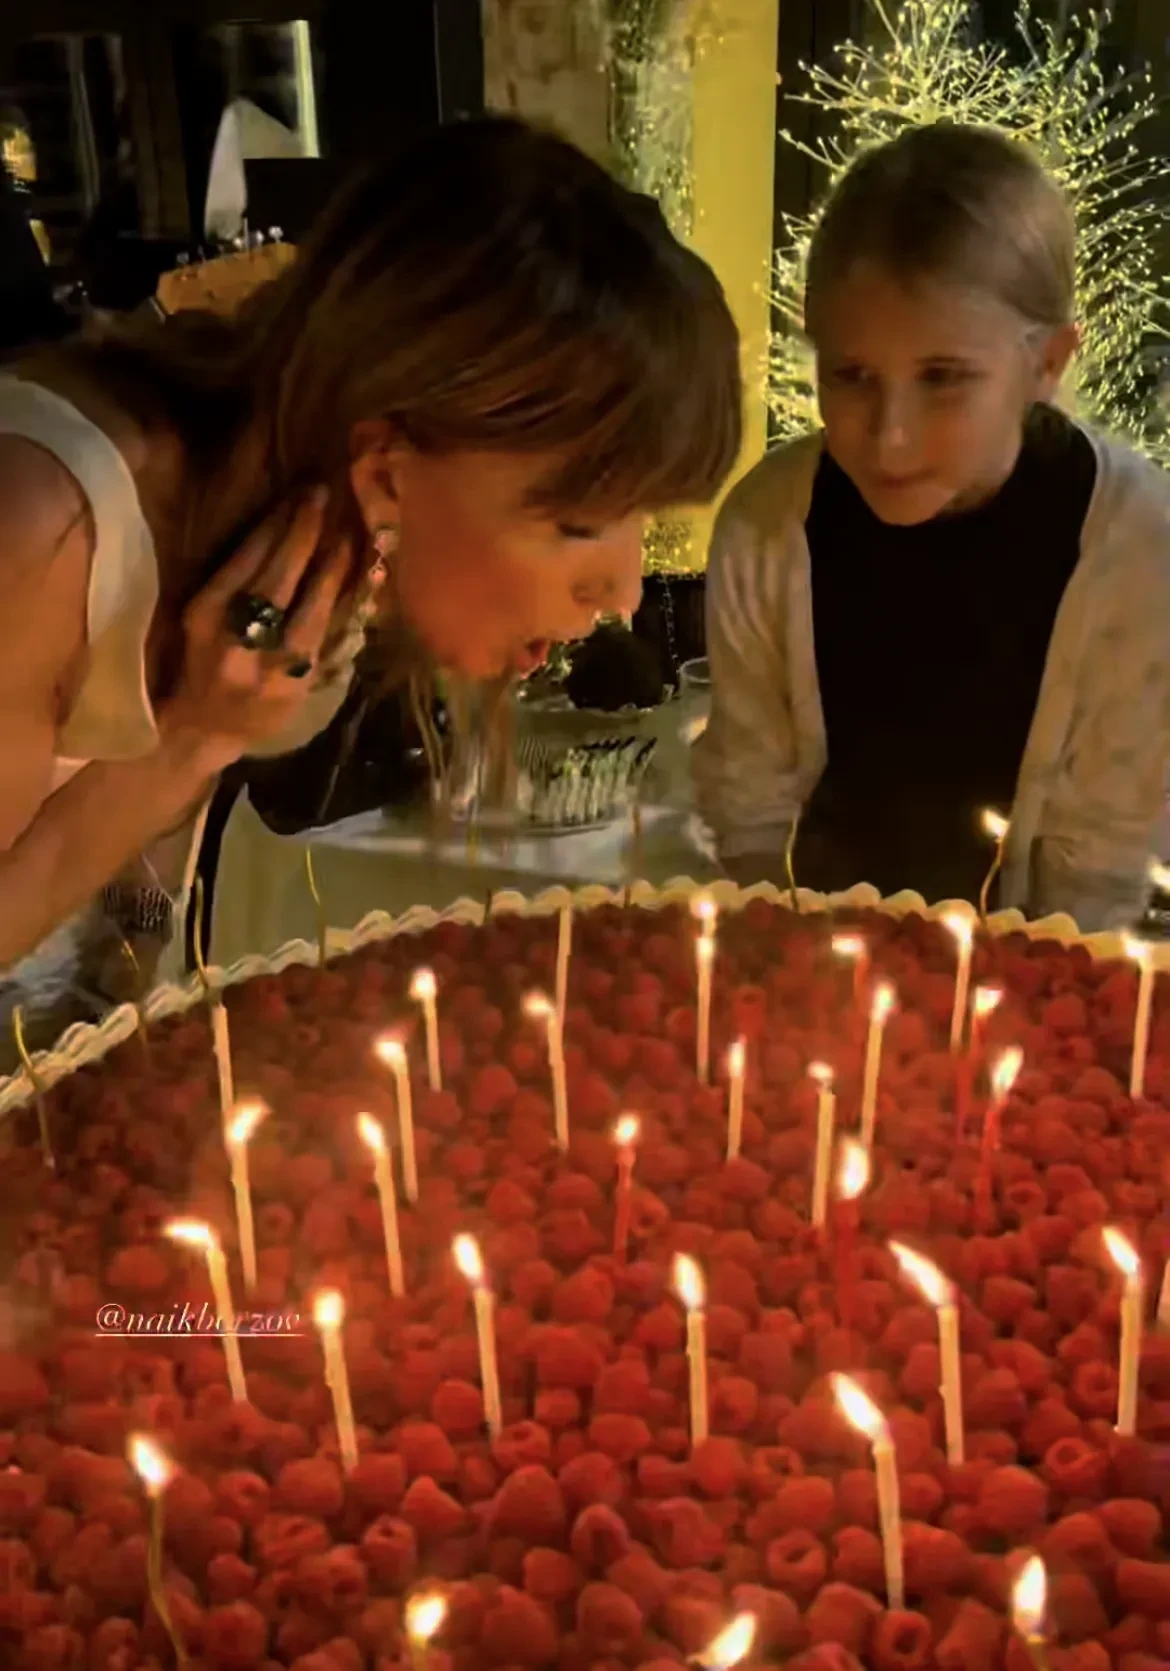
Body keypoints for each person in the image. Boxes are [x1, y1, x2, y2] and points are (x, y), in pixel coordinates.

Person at [0, 115, 740, 1052]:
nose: (624, 594)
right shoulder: (44, 526)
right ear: (388, 470)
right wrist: (194, 737)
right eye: (578, 524)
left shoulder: (321, 533)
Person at [694, 122, 1170, 931]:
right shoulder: (767, 531)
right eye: (852, 375)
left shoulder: (1138, 548)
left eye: (943, 378)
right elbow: (750, 809)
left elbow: (1099, 867)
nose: (890, 437)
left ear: (1047, 363)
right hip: (819, 958)